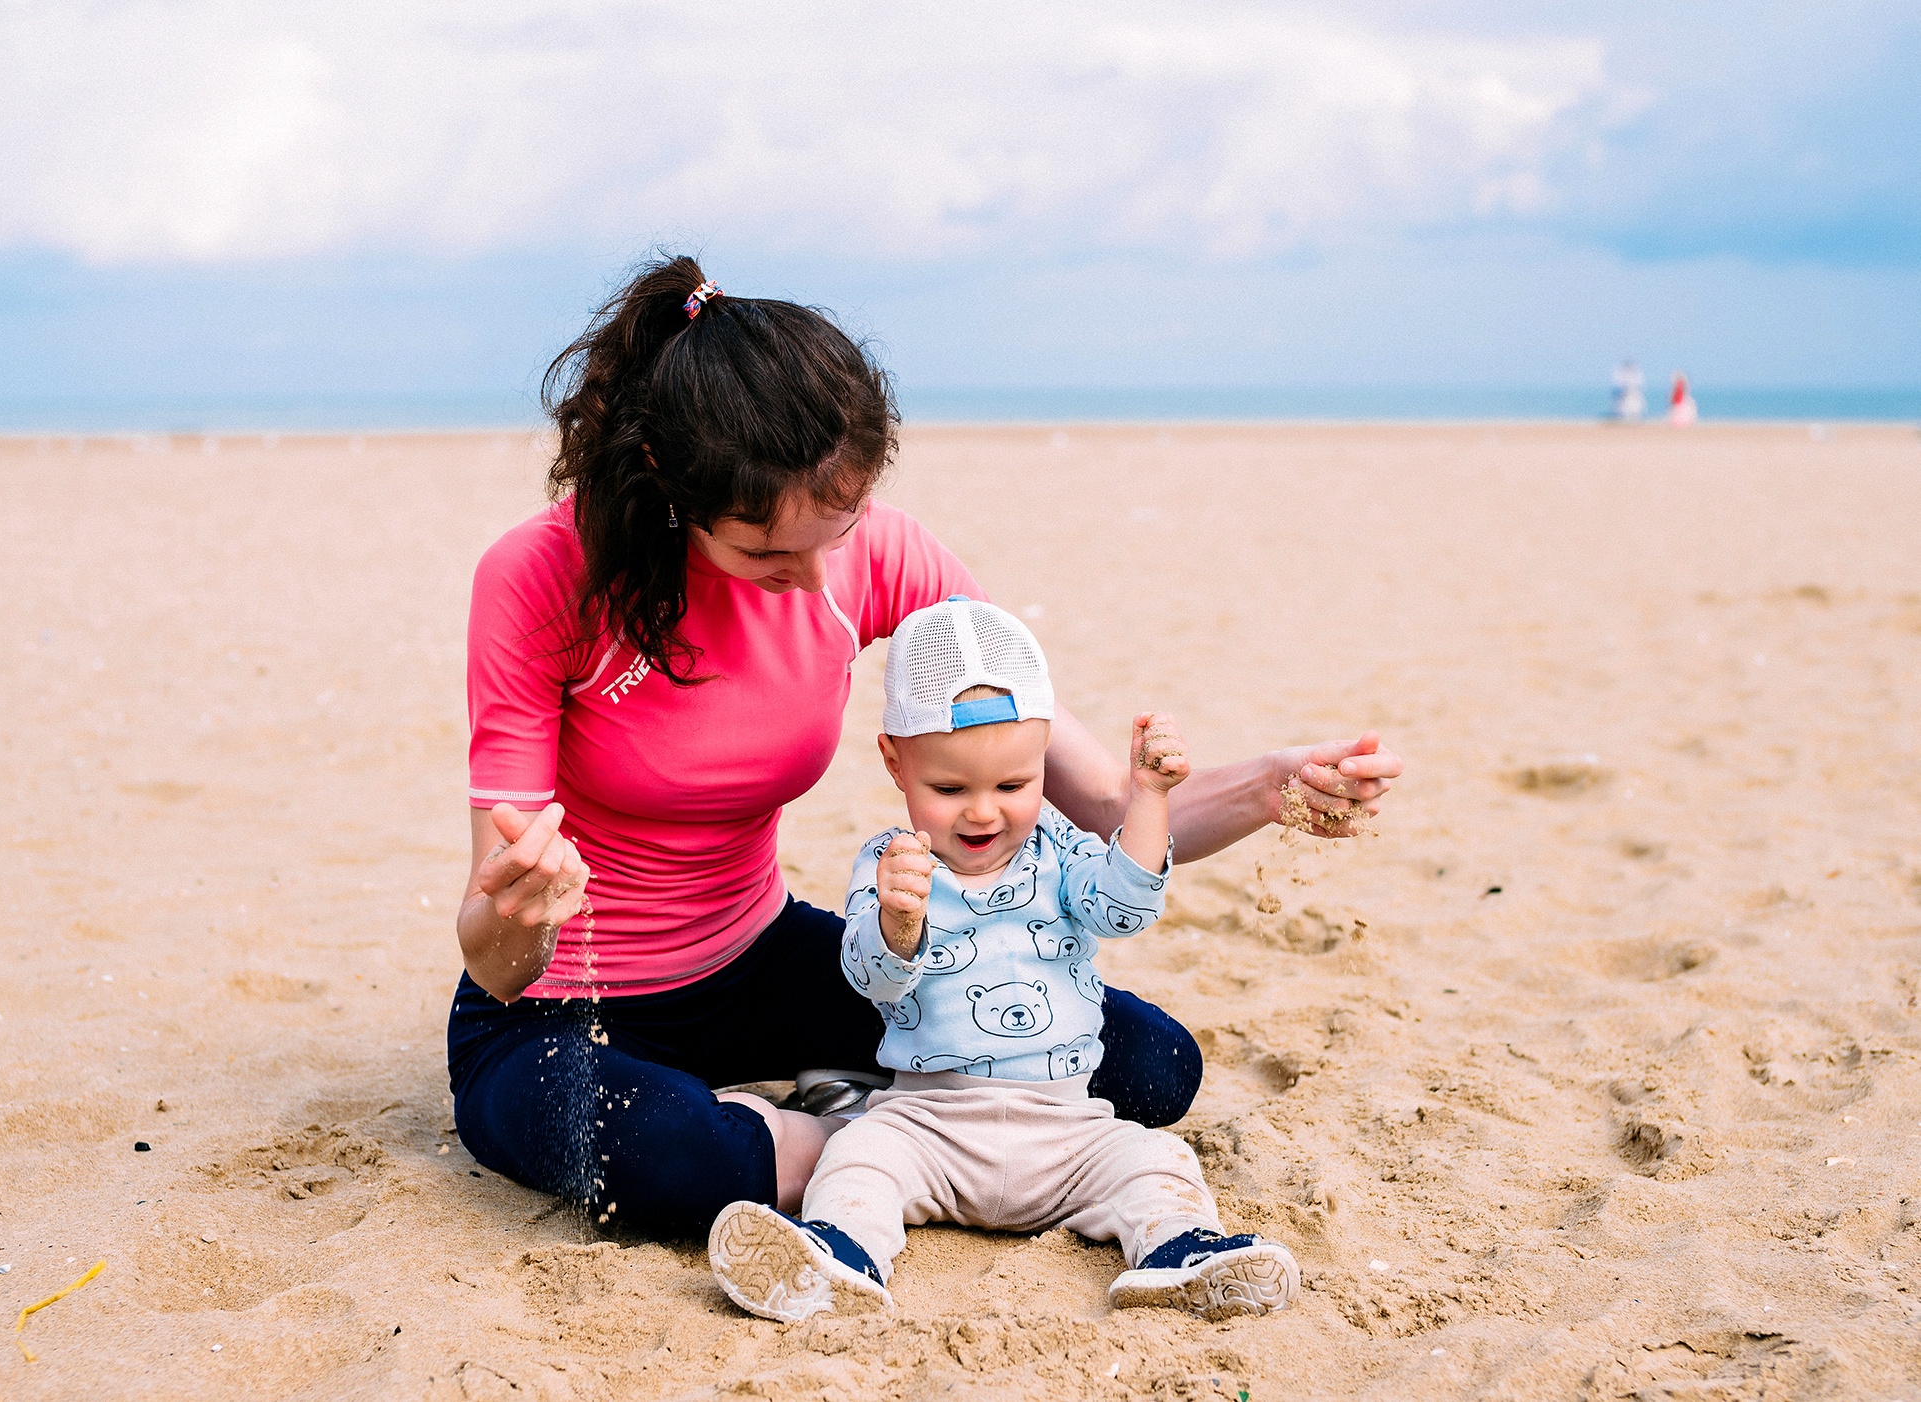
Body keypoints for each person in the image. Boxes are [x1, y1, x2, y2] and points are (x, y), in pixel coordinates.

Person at [448, 253, 1402, 1240]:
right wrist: (528, 907)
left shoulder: (883, 554)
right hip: (561, 1008)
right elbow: (496, 962)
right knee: (685, 1162)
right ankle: (855, 1133)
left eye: (837, 532)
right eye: (767, 554)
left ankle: (855, 1128)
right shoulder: (541, 576)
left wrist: (1272, 787)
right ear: (666, 479)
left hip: (758, 959)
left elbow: (1103, 811)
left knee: (1147, 1067)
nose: (816, 580)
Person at [707, 598, 1300, 1323]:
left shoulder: (1062, 849)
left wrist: (1148, 800)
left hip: (1069, 1130)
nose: (983, 812)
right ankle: (842, 1255)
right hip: (930, 1123)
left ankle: (1180, 1251)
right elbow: (870, 979)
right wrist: (898, 921)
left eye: (1013, 786)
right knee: (858, 1161)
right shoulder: (892, 864)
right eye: (950, 789)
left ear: (1043, 755)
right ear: (896, 762)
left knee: (1159, 1162)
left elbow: (1125, 908)